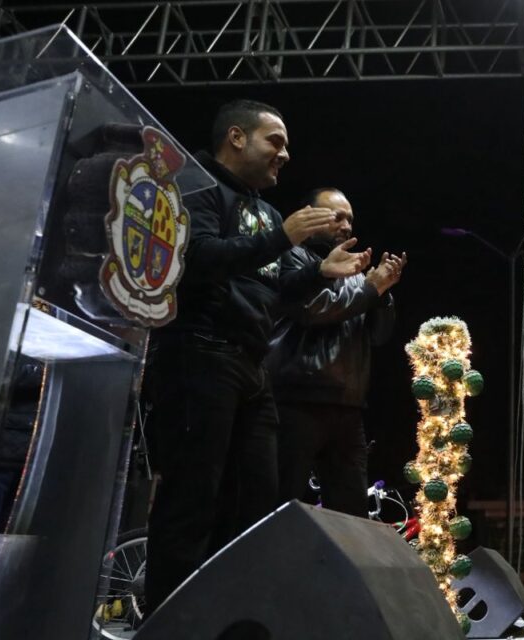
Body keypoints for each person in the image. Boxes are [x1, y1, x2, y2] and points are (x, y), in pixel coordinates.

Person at [142, 99, 368, 616]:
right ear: (237, 138)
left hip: (250, 368)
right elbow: (193, 258)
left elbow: (274, 293)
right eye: (276, 141)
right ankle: (170, 625)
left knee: (255, 509)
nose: (285, 154)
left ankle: (234, 621)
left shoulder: (266, 212)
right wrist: (281, 238)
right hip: (198, 355)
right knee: (191, 504)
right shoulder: (195, 186)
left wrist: (318, 272)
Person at [267, 187, 405, 516]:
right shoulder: (293, 256)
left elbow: (379, 335)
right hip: (296, 401)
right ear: (310, 215)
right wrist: (370, 287)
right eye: (337, 216)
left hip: (347, 406)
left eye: (350, 220)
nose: (346, 226)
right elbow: (315, 309)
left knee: (351, 512)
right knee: (280, 504)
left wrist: (382, 295)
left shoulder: (355, 271)